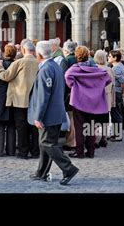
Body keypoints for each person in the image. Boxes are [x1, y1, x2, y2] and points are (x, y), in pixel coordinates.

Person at [28, 40, 79, 185]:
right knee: (45, 143)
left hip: (48, 115)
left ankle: (68, 168)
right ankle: (42, 172)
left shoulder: (46, 69)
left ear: (39, 54)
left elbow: (44, 96)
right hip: (56, 112)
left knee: (47, 144)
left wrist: (38, 116)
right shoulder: (55, 66)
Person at [0, 40, 39, 159]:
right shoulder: (39, 63)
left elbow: (6, 76)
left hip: (19, 99)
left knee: (21, 126)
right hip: (35, 100)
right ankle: (35, 152)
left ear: (23, 50)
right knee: (34, 127)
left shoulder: (19, 62)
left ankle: (23, 152)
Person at [65, 46, 112, 159]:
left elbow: (67, 76)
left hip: (79, 100)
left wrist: (74, 86)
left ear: (77, 56)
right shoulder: (96, 69)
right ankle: (91, 152)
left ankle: (79, 152)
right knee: (91, 127)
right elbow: (108, 78)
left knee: (79, 128)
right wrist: (97, 87)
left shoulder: (75, 68)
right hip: (94, 101)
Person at [93, 50, 115, 148]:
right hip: (107, 96)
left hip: (97, 96)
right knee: (105, 119)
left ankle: (96, 139)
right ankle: (104, 138)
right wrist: (113, 101)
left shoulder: (93, 68)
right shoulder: (109, 69)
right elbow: (113, 85)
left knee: (96, 118)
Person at [62, 40, 78, 151]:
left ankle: (71, 142)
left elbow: (63, 78)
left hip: (69, 93)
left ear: (66, 50)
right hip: (80, 93)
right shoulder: (80, 59)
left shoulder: (66, 60)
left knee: (71, 117)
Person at [108, 50, 124, 141]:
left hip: (116, 92)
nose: (108, 57)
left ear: (115, 58)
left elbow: (123, 82)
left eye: (110, 56)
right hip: (117, 92)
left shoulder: (116, 69)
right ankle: (115, 134)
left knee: (116, 114)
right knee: (116, 113)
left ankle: (117, 135)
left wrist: (123, 92)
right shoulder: (118, 66)